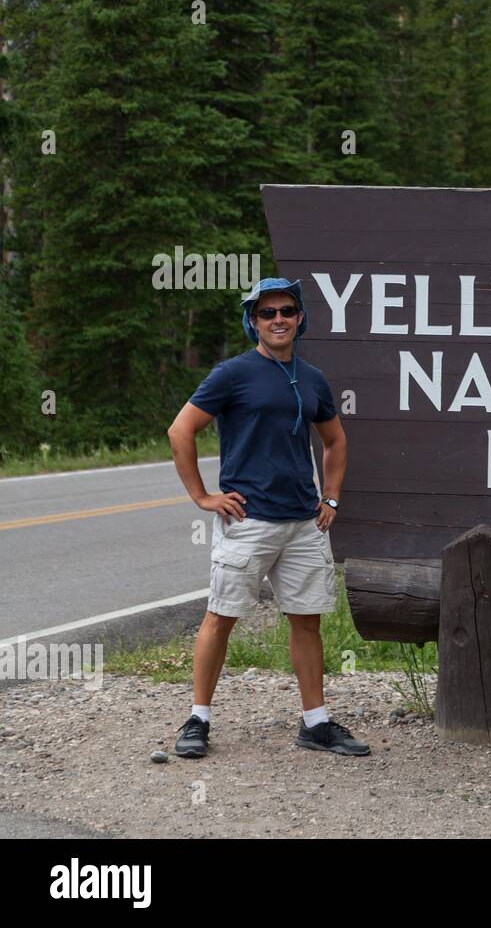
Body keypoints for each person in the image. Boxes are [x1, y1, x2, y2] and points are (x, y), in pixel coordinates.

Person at [166, 277, 368, 758]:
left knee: (307, 622)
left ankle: (315, 724)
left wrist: (332, 497)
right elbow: (181, 430)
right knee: (221, 617)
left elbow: (335, 441)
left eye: (287, 310)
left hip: (303, 521)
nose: (278, 319)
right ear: (253, 321)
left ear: (300, 318)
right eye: (267, 312)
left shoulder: (313, 377)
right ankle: (197, 720)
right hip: (248, 520)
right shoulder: (232, 373)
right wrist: (202, 496)